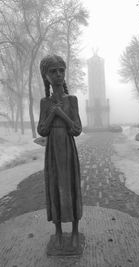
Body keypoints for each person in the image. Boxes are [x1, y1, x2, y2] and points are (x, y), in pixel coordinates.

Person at [37, 54, 82, 249]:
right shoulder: (45, 103)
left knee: (70, 185)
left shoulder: (71, 100)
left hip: (68, 149)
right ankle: (57, 231)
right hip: (53, 152)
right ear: (45, 76)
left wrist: (61, 114)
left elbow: (77, 129)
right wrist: (51, 115)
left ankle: (74, 232)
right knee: (55, 185)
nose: (58, 74)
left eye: (61, 70)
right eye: (53, 71)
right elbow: (42, 130)